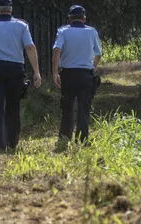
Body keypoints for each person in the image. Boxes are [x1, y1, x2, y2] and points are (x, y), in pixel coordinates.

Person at [0, 0, 41, 152]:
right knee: (13, 105)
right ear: (10, 10)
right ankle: (13, 141)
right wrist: (36, 72)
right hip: (16, 71)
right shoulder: (21, 25)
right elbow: (30, 47)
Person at [52, 4, 102, 146]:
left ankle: (64, 138)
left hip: (68, 74)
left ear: (69, 18)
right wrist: (93, 67)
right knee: (83, 107)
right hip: (85, 75)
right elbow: (98, 54)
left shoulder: (63, 31)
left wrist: (55, 72)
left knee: (67, 107)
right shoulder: (92, 32)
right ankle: (82, 139)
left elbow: (56, 50)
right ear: (84, 19)